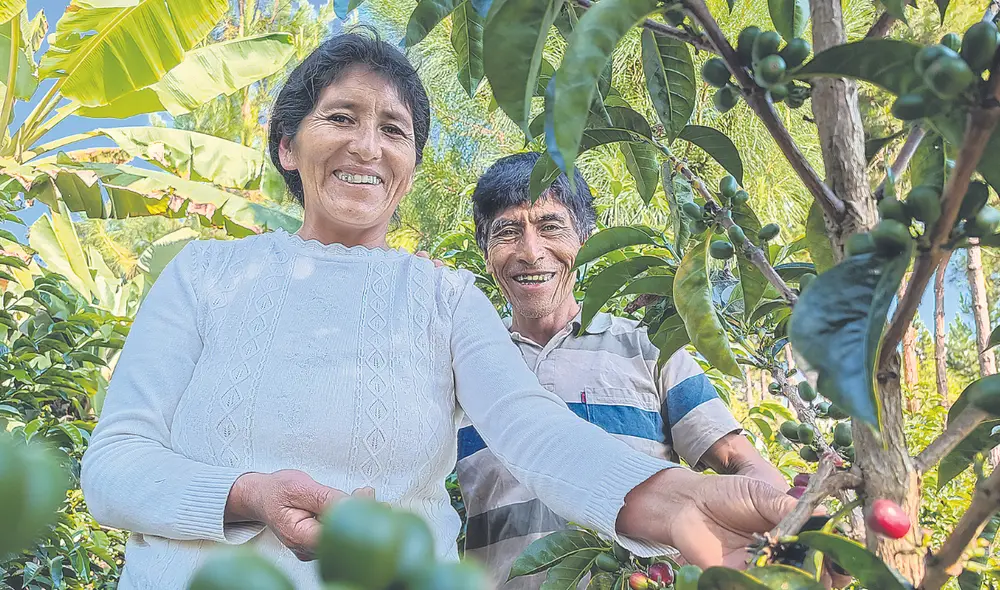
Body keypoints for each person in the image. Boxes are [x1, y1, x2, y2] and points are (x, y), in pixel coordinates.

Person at [80, 31, 797, 590]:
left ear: (411, 167)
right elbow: (114, 467)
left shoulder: (444, 298)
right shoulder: (204, 275)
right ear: (286, 146)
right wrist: (250, 494)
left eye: (393, 129)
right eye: (341, 117)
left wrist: (677, 504)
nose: (367, 145)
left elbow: (534, 431)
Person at [456, 152, 789, 588]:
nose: (531, 252)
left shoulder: (648, 348)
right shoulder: (463, 365)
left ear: (586, 239)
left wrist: (784, 532)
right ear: (485, 251)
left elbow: (741, 463)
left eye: (551, 226)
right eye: (507, 232)